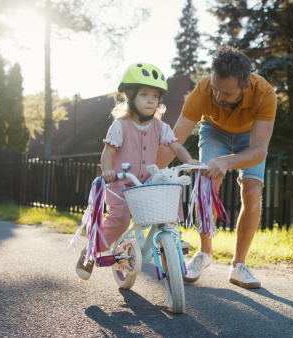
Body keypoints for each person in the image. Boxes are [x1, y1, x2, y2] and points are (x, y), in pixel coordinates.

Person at [156, 46, 277, 289]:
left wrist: (227, 161)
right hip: (214, 131)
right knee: (206, 183)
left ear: (245, 87)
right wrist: (148, 173)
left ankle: (239, 266)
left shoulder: (264, 93)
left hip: (249, 137)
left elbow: (259, 150)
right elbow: (174, 140)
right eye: (215, 89)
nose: (218, 97)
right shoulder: (202, 91)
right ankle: (204, 253)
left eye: (227, 93)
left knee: (252, 191)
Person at [76, 62, 199, 280]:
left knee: (166, 197)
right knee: (120, 220)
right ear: (131, 96)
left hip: (147, 180)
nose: (151, 99)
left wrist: (189, 161)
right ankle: (91, 252)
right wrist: (107, 171)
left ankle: (170, 243)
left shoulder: (161, 127)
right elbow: (108, 153)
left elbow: (176, 146)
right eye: (144, 94)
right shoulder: (120, 125)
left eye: (155, 95)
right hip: (121, 182)